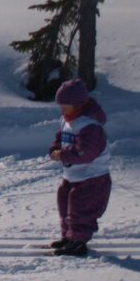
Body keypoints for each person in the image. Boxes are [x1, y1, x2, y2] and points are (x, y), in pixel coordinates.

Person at [47, 79, 111, 257]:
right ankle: (69, 236)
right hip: (73, 175)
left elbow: (85, 153)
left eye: (65, 105)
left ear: (77, 105)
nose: (61, 109)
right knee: (65, 201)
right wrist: (54, 148)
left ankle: (79, 241)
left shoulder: (90, 125)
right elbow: (60, 137)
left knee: (80, 207)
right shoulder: (67, 119)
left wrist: (62, 155)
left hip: (92, 178)